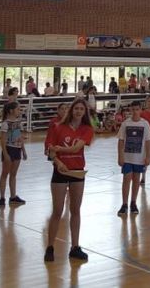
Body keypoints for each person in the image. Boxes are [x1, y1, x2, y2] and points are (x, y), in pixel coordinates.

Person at [45, 98, 94, 262]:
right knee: (57, 210)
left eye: (82, 109)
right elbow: (49, 151)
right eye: (76, 108)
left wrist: (59, 149)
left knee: (75, 210)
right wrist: (58, 162)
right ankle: (50, 247)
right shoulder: (57, 127)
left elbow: (76, 148)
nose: (78, 111)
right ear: (71, 110)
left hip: (77, 172)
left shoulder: (87, 129)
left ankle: (75, 247)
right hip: (60, 171)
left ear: (85, 112)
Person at [117, 100, 150, 216]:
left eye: (137, 109)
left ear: (140, 110)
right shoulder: (125, 124)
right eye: (133, 109)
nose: (135, 112)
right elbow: (121, 141)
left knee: (136, 179)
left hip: (139, 158)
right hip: (127, 158)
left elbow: (148, 141)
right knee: (126, 179)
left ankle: (133, 202)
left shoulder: (145, 124)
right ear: (130, 110)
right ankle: (124, 204)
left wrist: (148, 156)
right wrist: (120, 156)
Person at [0, 101, 27, 207]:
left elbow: (20, 137)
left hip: (17, 149)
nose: (20, 111)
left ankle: (13, 196)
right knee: (5, 174)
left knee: (13, 174)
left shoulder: (19, 122)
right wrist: (5, 154)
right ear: (11, 111)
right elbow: (2, 139)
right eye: (18, 109)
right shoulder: (5, 124)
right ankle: (2, 197)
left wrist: (23, 150)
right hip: (9, 149)